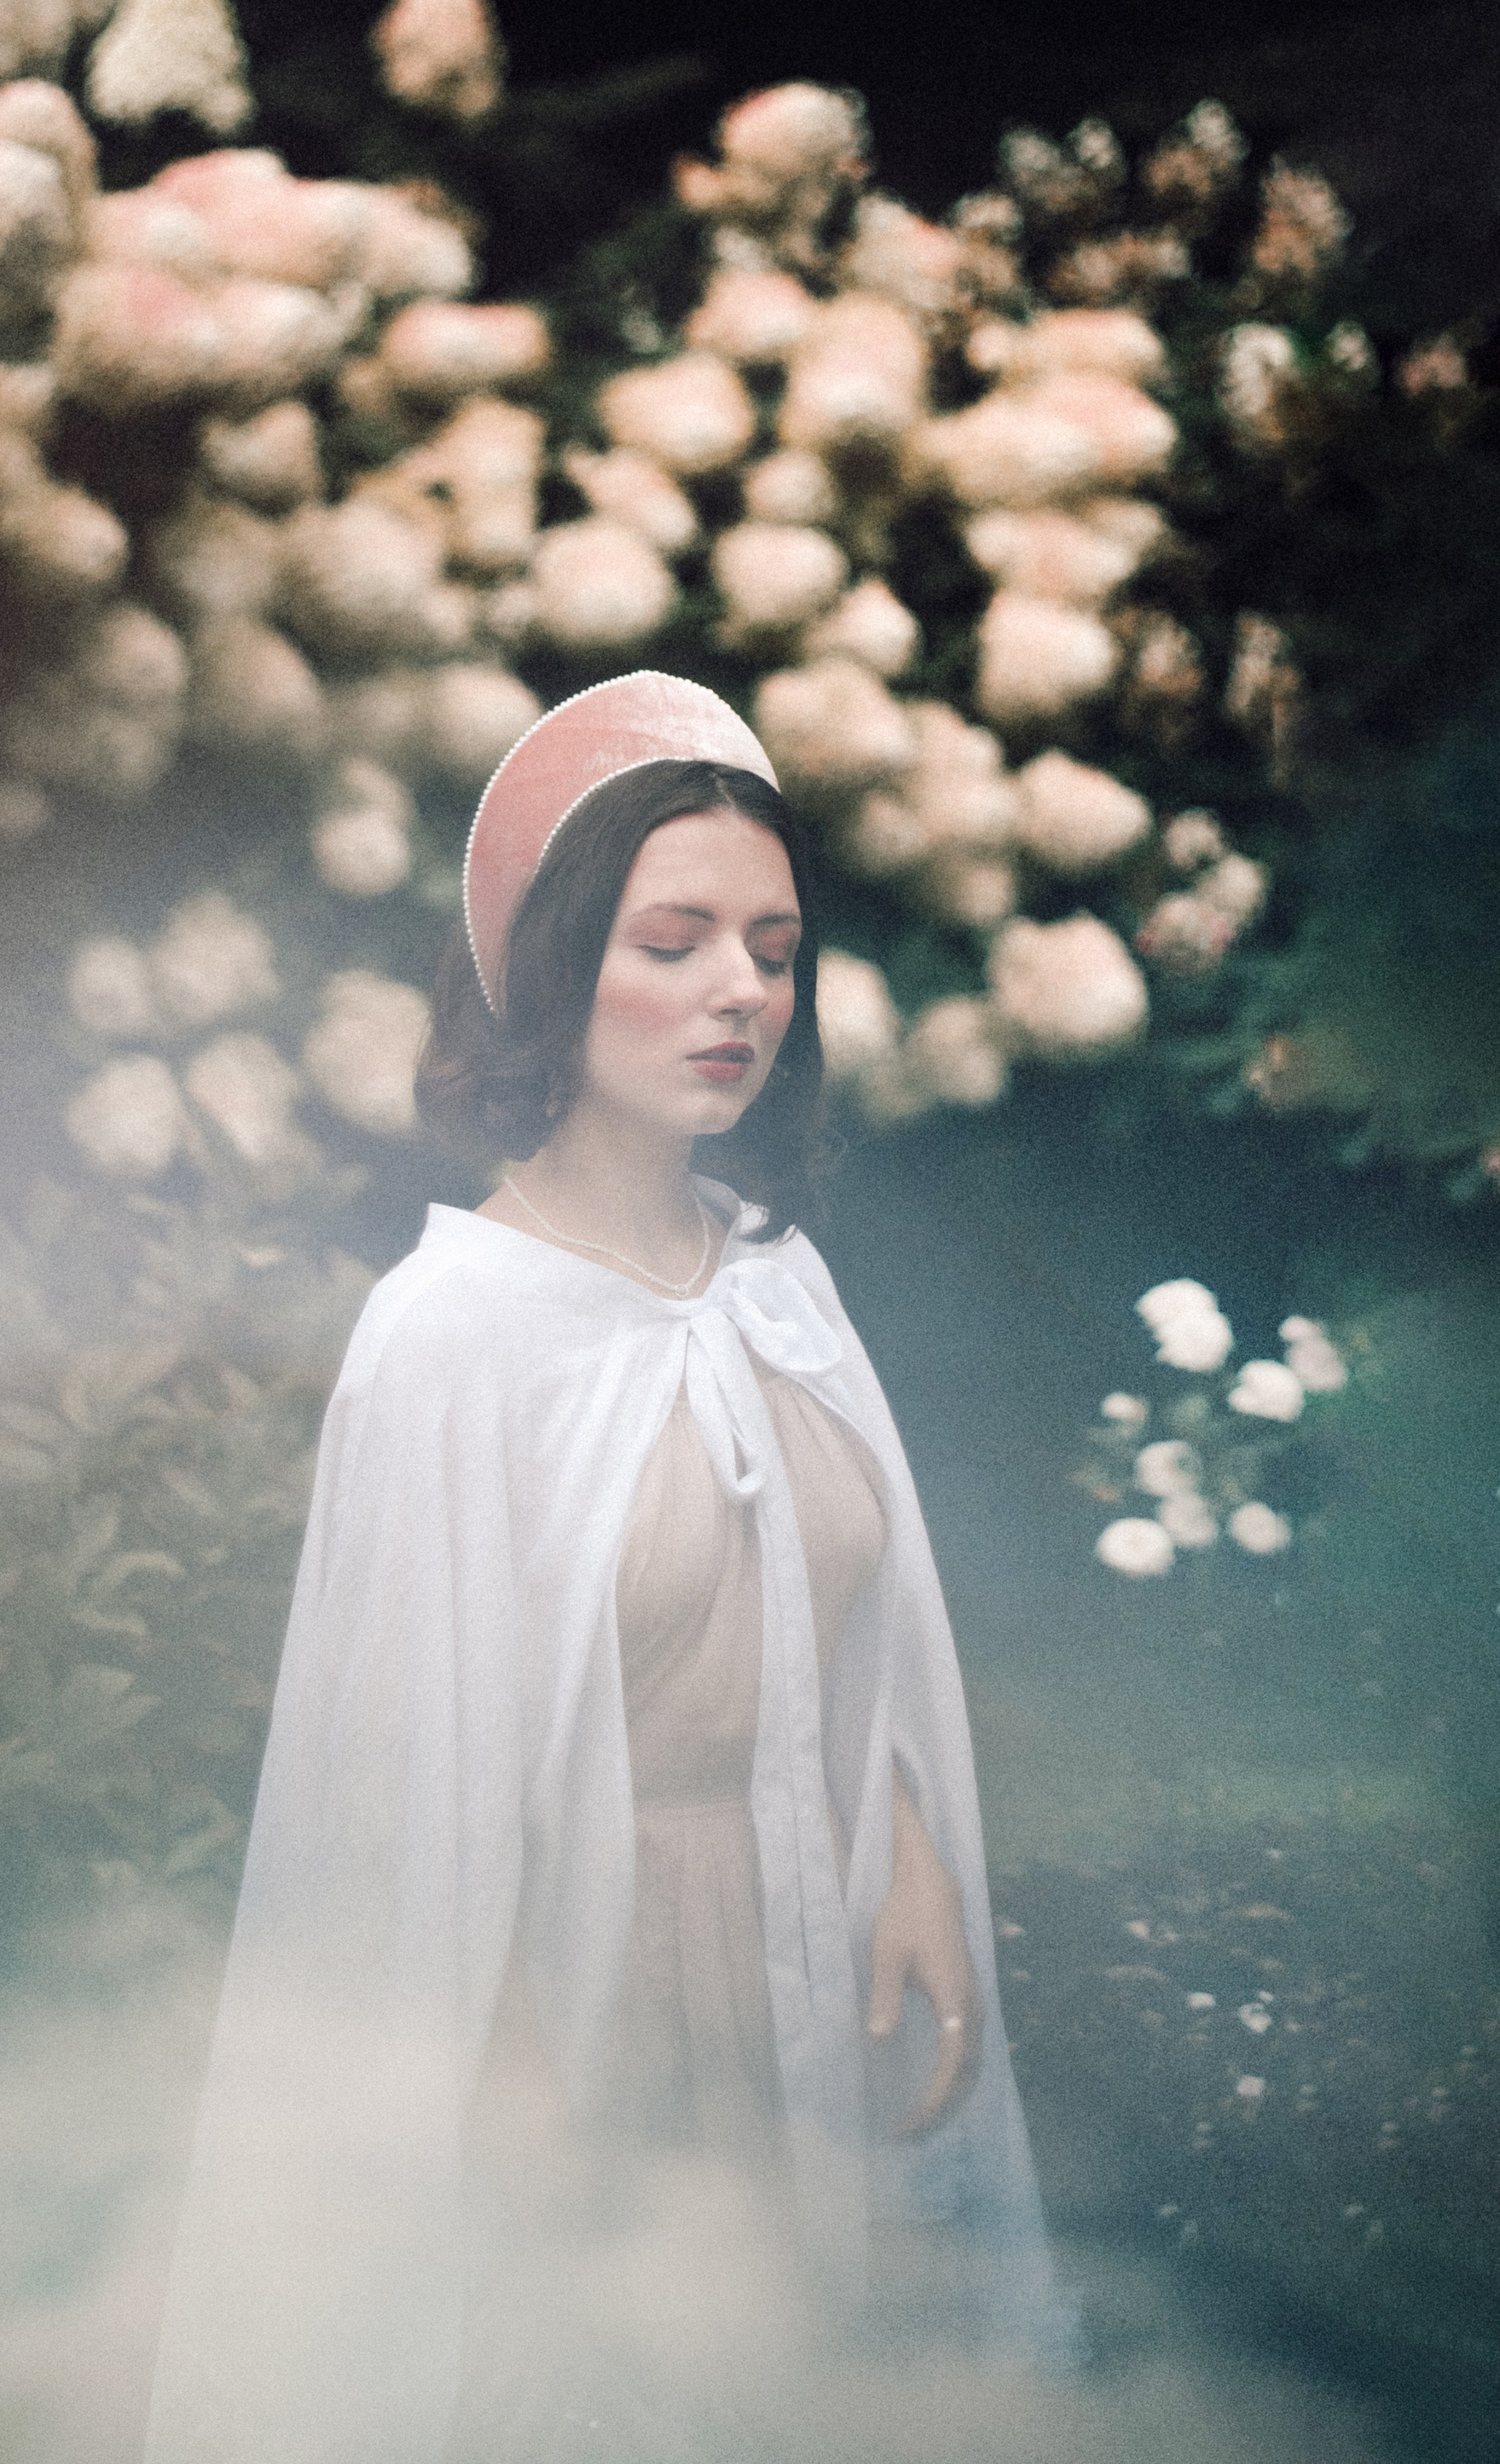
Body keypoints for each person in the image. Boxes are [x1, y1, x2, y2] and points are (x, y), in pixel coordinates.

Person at [144, 673, 1070, 2464]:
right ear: (554, 967)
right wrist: (521, 2141)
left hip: (809, 1942)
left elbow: (846, 1629)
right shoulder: (452, 1336)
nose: (741, 988)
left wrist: (903, 1861)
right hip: (590, 1990)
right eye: (677, 937)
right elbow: (411, 1804)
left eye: (773, 947)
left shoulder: (776, 1277)